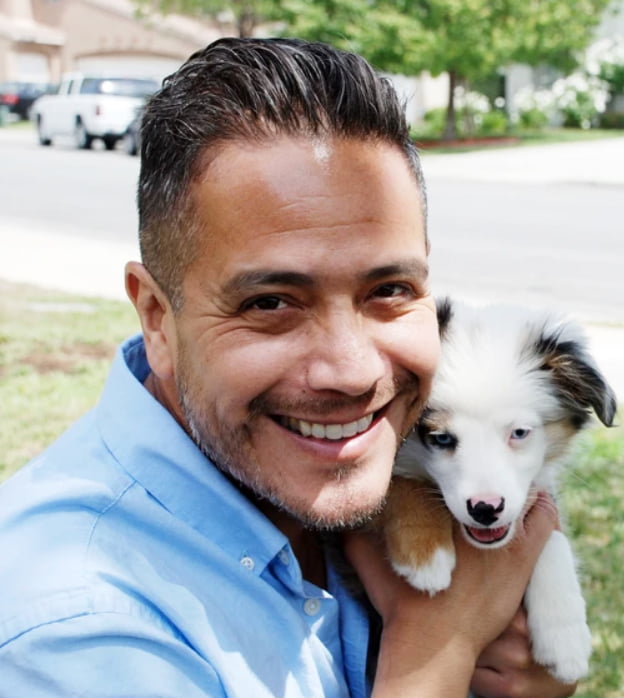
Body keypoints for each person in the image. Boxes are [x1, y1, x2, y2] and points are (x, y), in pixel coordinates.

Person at [0, 38, 576, 697]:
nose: (353, 372)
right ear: (158, 318)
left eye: (388, 290)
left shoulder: (404, 480)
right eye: (270, 302)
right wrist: (439, 648)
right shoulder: (72, 626)